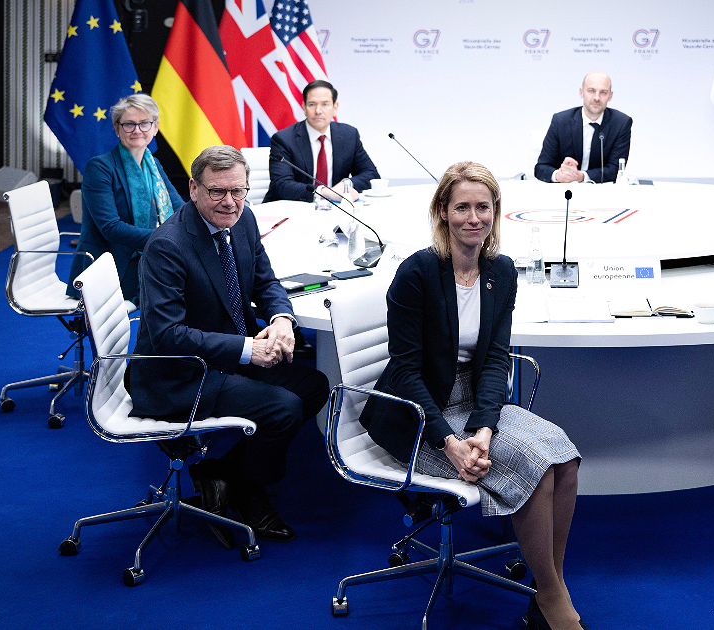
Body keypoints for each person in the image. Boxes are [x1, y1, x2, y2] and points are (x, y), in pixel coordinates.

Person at [359, 162, 585, 630]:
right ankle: (552, 601)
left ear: (495, 212)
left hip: (475, 401)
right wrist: (450, 442)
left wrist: (483, 428)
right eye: (462, 207)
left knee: (562, 456)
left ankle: (551, 588)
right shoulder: (417, 272)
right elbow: (405, 371)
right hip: (416, 410)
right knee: (532, 466)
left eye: (484, 207)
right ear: (442, 211)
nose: (474, 217)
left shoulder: (500, 271)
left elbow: (496, 359)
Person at [129, 146, 330, 549]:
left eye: (238, 191)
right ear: (193, 189)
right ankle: (250, 492)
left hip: (225, 353)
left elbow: (266, 282)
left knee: (315, 386)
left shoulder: (244, 218)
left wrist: (281, 319)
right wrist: (247, 349)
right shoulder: (167, 245)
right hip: (180, 373)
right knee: (282, 408)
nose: (230, 202)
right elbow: (168, 335)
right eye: (217, 192)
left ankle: (223, 476)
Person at [66, 94, 184, 303]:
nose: (137, 130)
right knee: (185, 287)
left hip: (148, 255)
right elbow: (110, 227)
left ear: (155, 127)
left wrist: (203, 223)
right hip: (113, 266)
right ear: (117, 128)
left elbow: (179, 208)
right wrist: (166, 239)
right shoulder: (99, 168)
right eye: (129, 124)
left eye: (144, 123)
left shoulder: (154, 164)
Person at [264, 80, 380, 202]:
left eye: (325, 104)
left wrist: (347, 184)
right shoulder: (284, 139)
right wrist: (324, 192)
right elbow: (281, 185)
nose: (318, 111)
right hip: (292, 207)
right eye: (312, 104)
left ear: (335, 108)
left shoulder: (349, 135)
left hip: (334, 207)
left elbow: (371, 174)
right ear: (304, 107)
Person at [535, 71, 633, 184]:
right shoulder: (561, 121)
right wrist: (558, 175)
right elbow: (541, 167)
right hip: (564, 189)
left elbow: (615, 170)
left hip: (600, 191)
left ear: (610, 96)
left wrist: (582, 176)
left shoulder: (621, 123)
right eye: (591, 91)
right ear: (581, 92)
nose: (597, 98)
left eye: (603, 92)